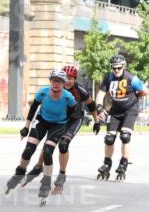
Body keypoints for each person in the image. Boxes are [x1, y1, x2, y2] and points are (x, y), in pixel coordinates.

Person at [19, 63, 100, 194]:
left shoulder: (81, 91)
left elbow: (91, 105)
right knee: (48, 146)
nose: (67, 81)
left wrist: (96, 121)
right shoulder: (54, 90)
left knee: (63, 145)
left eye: (71, 78)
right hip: (59, 119)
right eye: (65, 78)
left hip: (74, 120)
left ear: (75, 79)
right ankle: (39, 167)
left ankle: (61, 177)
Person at [5, 69, 77, 202]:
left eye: (60, 81)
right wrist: (26, 127)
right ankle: (20, 171)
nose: (56, 84)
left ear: (63, 83)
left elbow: (73, 113)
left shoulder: (68, 97)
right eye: (54, 81)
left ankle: (46, 181)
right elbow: (33, 109)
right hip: (42, 121)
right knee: (28, 150)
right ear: (50, 81)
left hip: (58, 125)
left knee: (48, 152)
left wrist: (66, 130)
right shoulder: (42, 92)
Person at [94, 54, 148, 180]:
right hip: (115, 111)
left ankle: (123, 163)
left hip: (130, 110)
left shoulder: (131, 78)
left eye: (119, 67)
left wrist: (134, 96)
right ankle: (107, 164)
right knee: (109, 138)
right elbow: (100, 94)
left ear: (123, 66)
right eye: (114, 68)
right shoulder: (108, 78)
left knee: (125, 136)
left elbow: (145, 91)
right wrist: (100, 108)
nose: (117, 70)